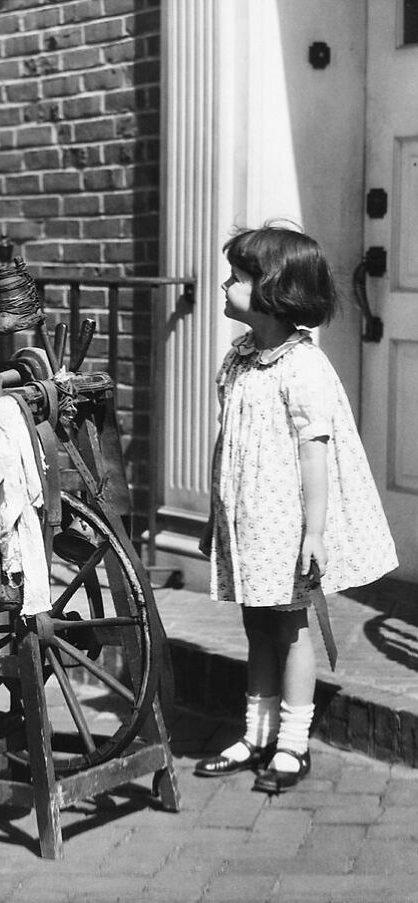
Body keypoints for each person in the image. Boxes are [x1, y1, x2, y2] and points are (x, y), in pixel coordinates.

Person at [193, 224, 397, 792]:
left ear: (273, 291)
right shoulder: (238, 358)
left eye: (237, 278)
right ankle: (255, 731)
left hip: (285, 521)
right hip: (248, 518)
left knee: (288, 631)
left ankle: (292, 741)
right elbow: (230, 440)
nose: (225, 285)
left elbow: (316, 452)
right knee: (255, 626)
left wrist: (315, 530)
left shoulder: (301, 367)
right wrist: (220, 512)